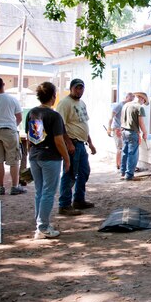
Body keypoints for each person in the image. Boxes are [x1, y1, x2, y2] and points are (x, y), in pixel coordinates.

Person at [26, 82, 71, 239]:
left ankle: (40, 223)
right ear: (53, 96)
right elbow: (59, 141)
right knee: (48, 192)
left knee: (40, 191)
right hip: (50, 157)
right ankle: (43, 226)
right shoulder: (54, 116)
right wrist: (66, 158)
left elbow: (29, 137)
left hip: (34, 155)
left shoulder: (32, 113)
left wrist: (29, 154)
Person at [56, 79, 96, 213]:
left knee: (84, 171)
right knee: (70, 173)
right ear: (71, 88)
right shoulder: (65, 103)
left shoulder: (82, 103)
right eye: (77, 88)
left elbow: (83, 124)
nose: (79, 91)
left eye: (81, 88)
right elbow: (60, 126)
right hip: (72, 143)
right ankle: (64, 204)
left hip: (81, 143)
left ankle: (79, 200)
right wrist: (68, 143)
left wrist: (90, 143)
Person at [120, 92, 149, 181]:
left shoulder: (126, 105)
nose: (143, 103)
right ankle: (129, 175)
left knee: (125, 152)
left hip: (124, 131)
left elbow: (122, 118)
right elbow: (141, 122)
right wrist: (144, 132)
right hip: (133, 132)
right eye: (144, 101)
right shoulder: (139, 107)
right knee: (133, 154)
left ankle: (123, 172)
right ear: (141, 98)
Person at [108, 92, 134, 173]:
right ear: (126, 97)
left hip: (125, 130)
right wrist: (109, 128)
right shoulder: (119, 105)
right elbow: (111, 116)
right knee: (120, 147)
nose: (130, 101)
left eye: (132, 100)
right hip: (117, 129)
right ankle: (118, 165)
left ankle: (124, 165)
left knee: (125, 147)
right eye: (129, 99)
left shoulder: (129, 106)